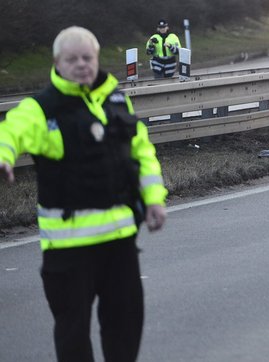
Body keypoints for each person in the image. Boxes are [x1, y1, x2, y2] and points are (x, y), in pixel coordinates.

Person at [0, 26, 168, 362]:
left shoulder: (116, 99)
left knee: (125, 326)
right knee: (73, 331)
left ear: (97, 58)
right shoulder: (42, 108)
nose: (81, 65)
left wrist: (154, 199)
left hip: (120, 242)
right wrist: (3, 155)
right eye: (72, 59)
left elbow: (142, 152)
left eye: (87, 58)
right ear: (57, 63)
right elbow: (11, 130)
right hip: (68, 247)